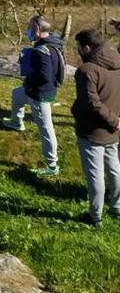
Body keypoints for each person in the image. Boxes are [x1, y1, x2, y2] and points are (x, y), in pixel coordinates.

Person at [0, 16, 65, 176]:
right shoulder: (50, 44)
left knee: (46, 128)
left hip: (40, 94)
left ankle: (52, 166)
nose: (28, 31)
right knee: (16, 95)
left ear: (37, 30)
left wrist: (28, 79)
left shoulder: (42, 51)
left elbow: (45, 76)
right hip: (32, 89)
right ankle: (17, 122)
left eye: (30, 28)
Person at [70, 30, 120, 227]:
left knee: (95, 175)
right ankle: (117, 207)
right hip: (114, 129)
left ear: (87, 48)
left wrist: (113, 120)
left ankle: (95, 215)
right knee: (115, 169)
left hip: (93, 130)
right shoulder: (117, 61)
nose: (78, 51)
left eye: (79, 47)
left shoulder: (87, 70)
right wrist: (116, 121)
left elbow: (92, 103)